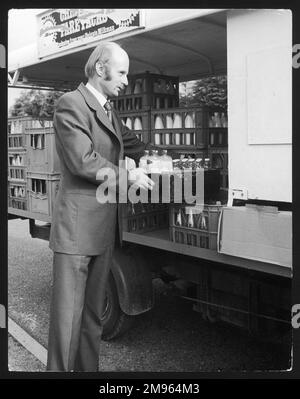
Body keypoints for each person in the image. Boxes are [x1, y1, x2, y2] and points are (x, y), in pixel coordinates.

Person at [47, 41, 154, 371]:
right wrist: (129, 177)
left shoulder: (108, 108)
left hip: (102, 229)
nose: (126, 79)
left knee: (92, 318)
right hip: (77, 232)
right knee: (68, 324)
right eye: (121, 72)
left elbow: (130, 142)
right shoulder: (71, 105)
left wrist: (152, 156)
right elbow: (83, 161)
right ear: (100, 69)